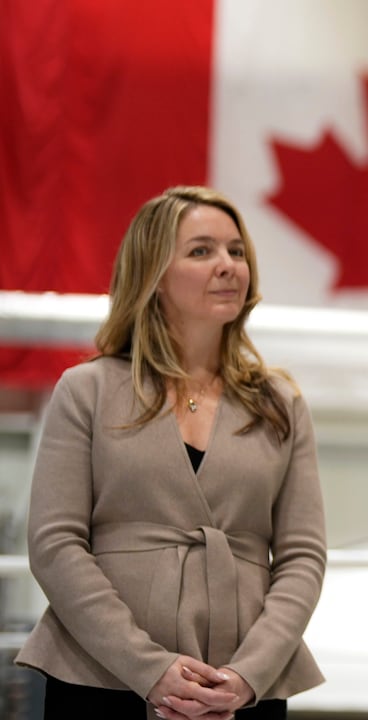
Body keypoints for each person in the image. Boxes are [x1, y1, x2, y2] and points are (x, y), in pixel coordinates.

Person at [16, 187, 327, 719]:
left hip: (240, 686)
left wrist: (248, 675)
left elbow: (303, 556)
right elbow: (55, 544)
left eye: (236, 251)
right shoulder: (87, 390)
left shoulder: (281, 404)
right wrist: (147, 668)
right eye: (202, 251)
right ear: (154, 274)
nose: (228, 265)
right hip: (101, 676)